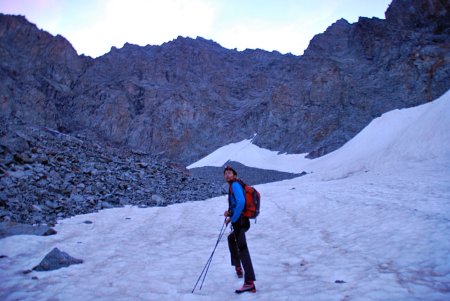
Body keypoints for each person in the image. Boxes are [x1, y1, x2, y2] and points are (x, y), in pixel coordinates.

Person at [223, 165, 256, 294]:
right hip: (242, 221)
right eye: (225, 173)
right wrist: (230, 216)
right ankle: (238, 266)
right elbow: (237, 204)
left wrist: (235, 218)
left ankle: (249, 283)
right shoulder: (235, 185)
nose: (227, 175)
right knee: (231, 239)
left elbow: (241, 202)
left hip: (240, 222)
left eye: (229, 172)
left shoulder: (235, 185)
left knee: (243, 249)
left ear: (234, 175)